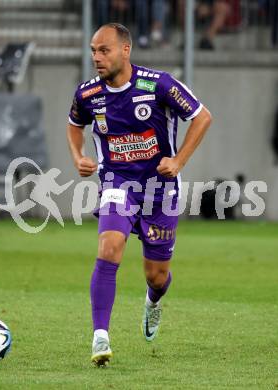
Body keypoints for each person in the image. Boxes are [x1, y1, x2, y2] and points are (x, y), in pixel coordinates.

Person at [67, 23, 212, 366]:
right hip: (118, 184)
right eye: (93, 50)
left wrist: (178, 160)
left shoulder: (158, 84)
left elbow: (202, 116)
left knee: (156, 275)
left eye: (104, 51)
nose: (97, 58)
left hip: (160, 192)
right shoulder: (87, 94)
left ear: (125, 51)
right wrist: (79, 158)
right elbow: (75, 125)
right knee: (109, 247)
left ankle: (153, 300)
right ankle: (100, 336)